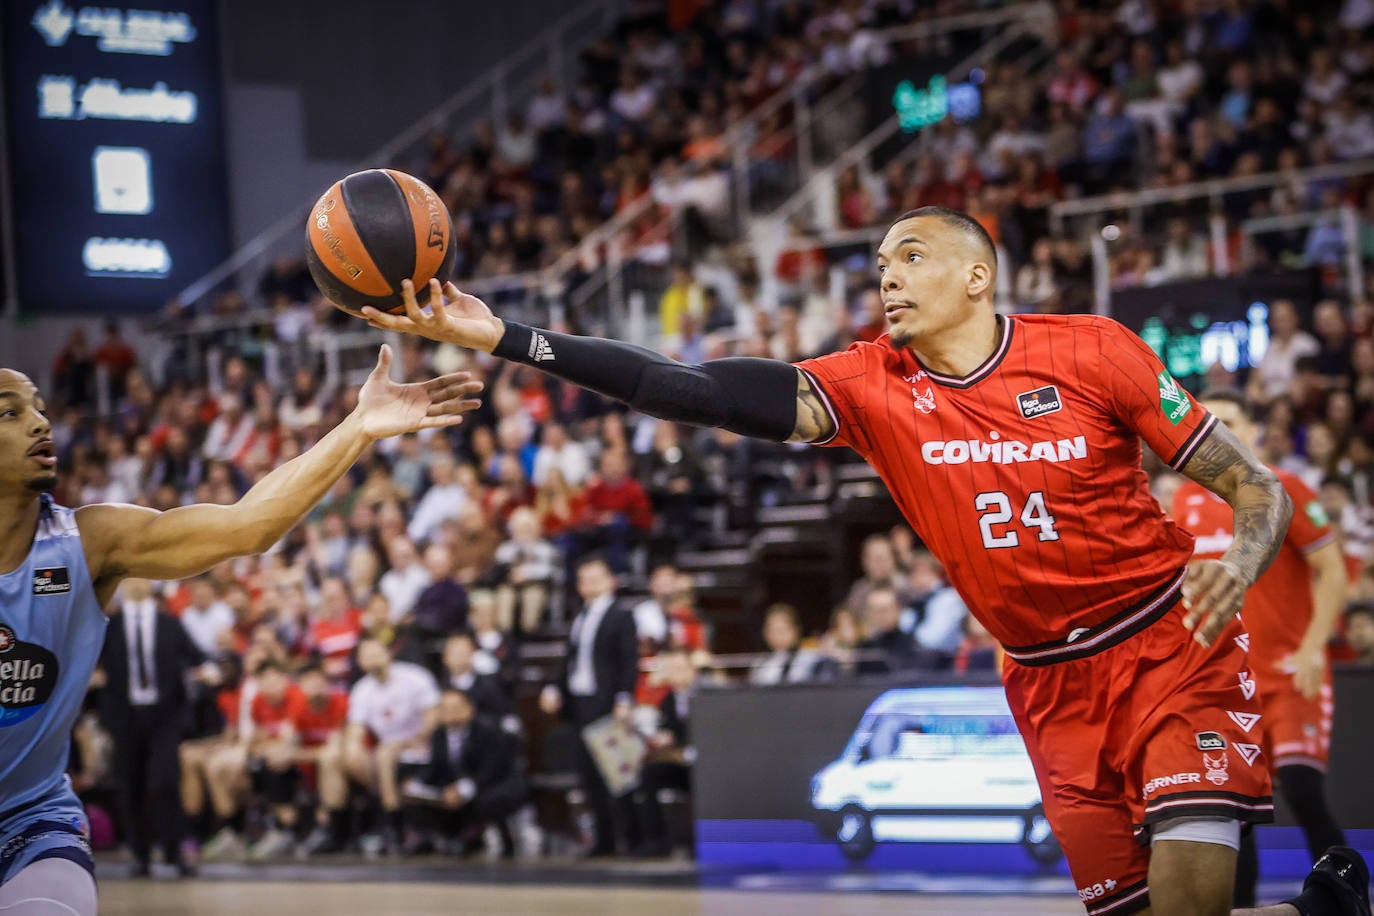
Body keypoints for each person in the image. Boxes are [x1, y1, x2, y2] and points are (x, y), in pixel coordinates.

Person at [365, 205, 1371, 915]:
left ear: (976, 276)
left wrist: (1241, 561)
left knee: (1191, 906)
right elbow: (688, 387)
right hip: (1047, 681)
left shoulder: (1094, 350)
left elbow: (1259, 488)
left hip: (1168, 645)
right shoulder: (867, 384)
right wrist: (507, 337)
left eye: (911, 256)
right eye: (880, 261)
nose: (887, 274)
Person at [0, 348, 478, 911]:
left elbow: (247, 526)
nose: (41, 422)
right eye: (10, 412)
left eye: (39, 407)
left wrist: (359, 427)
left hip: (32, 825)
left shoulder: (91, 541)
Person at [1170, 391, 1351, 908]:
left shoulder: (1282, 486)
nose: (1216, 429)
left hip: (1289, 673)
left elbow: (1332, 569)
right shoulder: (1183, 502)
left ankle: (1344, 894)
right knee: (1234, 811)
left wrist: (1313, 647)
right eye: (1208, 420)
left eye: (1228, 420)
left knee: (1301, 788)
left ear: (1249, 431)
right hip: (1223, 681)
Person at [98, 577, 210, 875]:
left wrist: (211, 670)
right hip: (125, 716)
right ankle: (141, 854)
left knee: (166, 781)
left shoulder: (169, 624)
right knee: (130, 784)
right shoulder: (110, 626)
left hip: (164, 715)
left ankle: (174, 850)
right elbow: (92, 661)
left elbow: (198, 657)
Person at [538, 555, 639, 856]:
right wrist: (555, 688)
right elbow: (570, 661)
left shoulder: (621, 615)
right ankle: (604, 840)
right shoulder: (580, 617)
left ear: (611, 581)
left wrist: (624, 697)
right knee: (589, 774)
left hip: (606, 702)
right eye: (585, 579)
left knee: (617, 773)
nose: (590, 584)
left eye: (596, 577)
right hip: (580, 703)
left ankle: (632, 838)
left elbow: (628, 660)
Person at [340, 636, 442, 855]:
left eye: (375, 652)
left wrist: (416, 739)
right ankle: (392, 821)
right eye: (366, 655)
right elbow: (355, 730)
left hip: (421, 744)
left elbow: (434, 716)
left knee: (385, 755)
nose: (372, 659)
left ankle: (392, 824)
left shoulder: (414, 677)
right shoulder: (362, 689)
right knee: (358, 757)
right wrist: (353, 751)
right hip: (387, 752)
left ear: (388, 653)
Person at [399, 688, 526, 857]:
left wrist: (463, 789)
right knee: (415, 797)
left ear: (469, 708)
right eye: (445, 708)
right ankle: (427, 838)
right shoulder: (439, 734)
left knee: (485, 800)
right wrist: (417, 784)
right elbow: (435, 767)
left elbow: (492, 769)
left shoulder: (489, 731)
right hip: (456, 786)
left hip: (492, 784)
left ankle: (476, 837)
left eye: (456, 707)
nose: (451, 713)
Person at [749, 603, 824, 685]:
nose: (777, 635)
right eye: (772, 630)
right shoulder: (760, 664)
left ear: (796, 629)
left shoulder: (813, 660)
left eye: (782, 629)